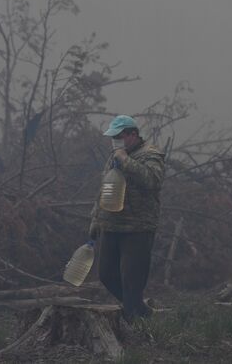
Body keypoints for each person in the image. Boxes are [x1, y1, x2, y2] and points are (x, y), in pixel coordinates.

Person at [89, 115, 165, 322]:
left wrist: (125, 160)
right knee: (106, 275)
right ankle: (139, 310)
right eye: (113, 137)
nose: (115, 141)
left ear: (133, 134)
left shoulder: (150, 155)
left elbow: (152, 180)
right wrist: (95, 219)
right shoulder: (113, 156)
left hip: (137, 228)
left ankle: (136, 325)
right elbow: (105, 188)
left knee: (132, 280)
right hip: (110, 225)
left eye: (119, 136)